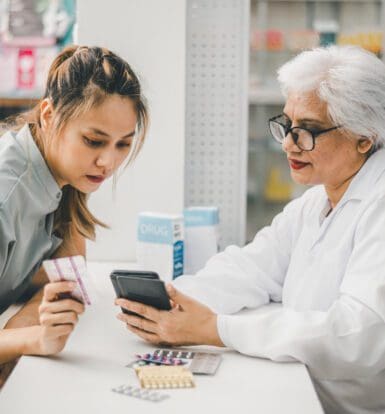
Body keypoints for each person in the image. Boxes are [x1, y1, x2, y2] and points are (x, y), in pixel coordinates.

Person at [115, 46, 385, 414]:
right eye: (287, 125)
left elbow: (359, 336)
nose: (289, 143)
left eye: (307, 131)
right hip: (301, 390)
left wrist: (217, 329)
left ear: (364, 138)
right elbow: (250, 268)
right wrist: (175, 301)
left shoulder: (378, 204)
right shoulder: (317, 201)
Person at [0, 45, 148, 382]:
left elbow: (71, 274)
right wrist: (35, 337)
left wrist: (27, 324)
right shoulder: (6, 197)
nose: (107, 162)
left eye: (123, 144)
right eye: (94, 141)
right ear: (49, 116)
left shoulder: (64, 174)